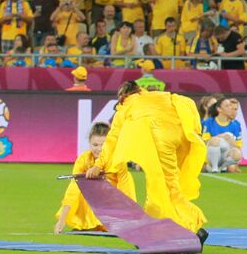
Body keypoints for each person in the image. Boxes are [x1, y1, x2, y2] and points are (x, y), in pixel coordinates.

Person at [86, 80, 208, 242]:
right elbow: (185, 103)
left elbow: (112, 140)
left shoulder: (127, 105)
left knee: (162, 188)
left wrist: (98, 165)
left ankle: (185, 229)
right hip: (179, 137)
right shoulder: (157, 96)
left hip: (160, 140)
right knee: (170, 185)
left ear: (123, 95)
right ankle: (178, 229)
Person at [54, 122, 136, 233]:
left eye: (103, 145)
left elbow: (126, 192)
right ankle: (87, 224)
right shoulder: (83, 159)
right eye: (95, 145)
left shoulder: (118, 161)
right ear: (89, 143)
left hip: (113, 198)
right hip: (94, 197)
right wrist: (62, 220)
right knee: (83, 185)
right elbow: (73, 190)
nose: (99, 149)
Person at [202, 96, 244, 174]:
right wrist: (220, 136)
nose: (230, 108)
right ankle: (214, 167)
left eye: (230, 106)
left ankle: (221, 167)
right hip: (211, 156)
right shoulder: (209, 122)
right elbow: (204, 142)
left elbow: (238, 146)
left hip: (225, 155)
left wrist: (231, 142)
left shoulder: (235, 125)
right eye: (227, 106)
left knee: (235, 158)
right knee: (215, 141)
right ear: (219, 109)